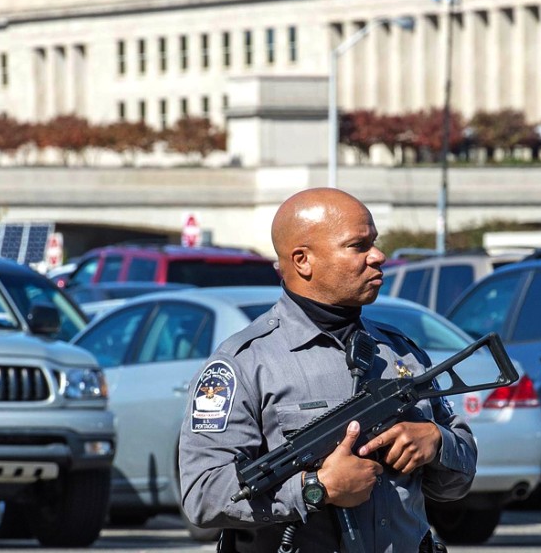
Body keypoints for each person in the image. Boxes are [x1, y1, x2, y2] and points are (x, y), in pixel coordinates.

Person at [179, 187, 476, 553]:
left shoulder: (400, 351)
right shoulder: (244, 364)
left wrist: (435, 442)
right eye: (358, 246)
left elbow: (459, 479)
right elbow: (204, 494)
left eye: (375, 243)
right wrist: (316, 488)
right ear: (303, 260)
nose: (378, 256)